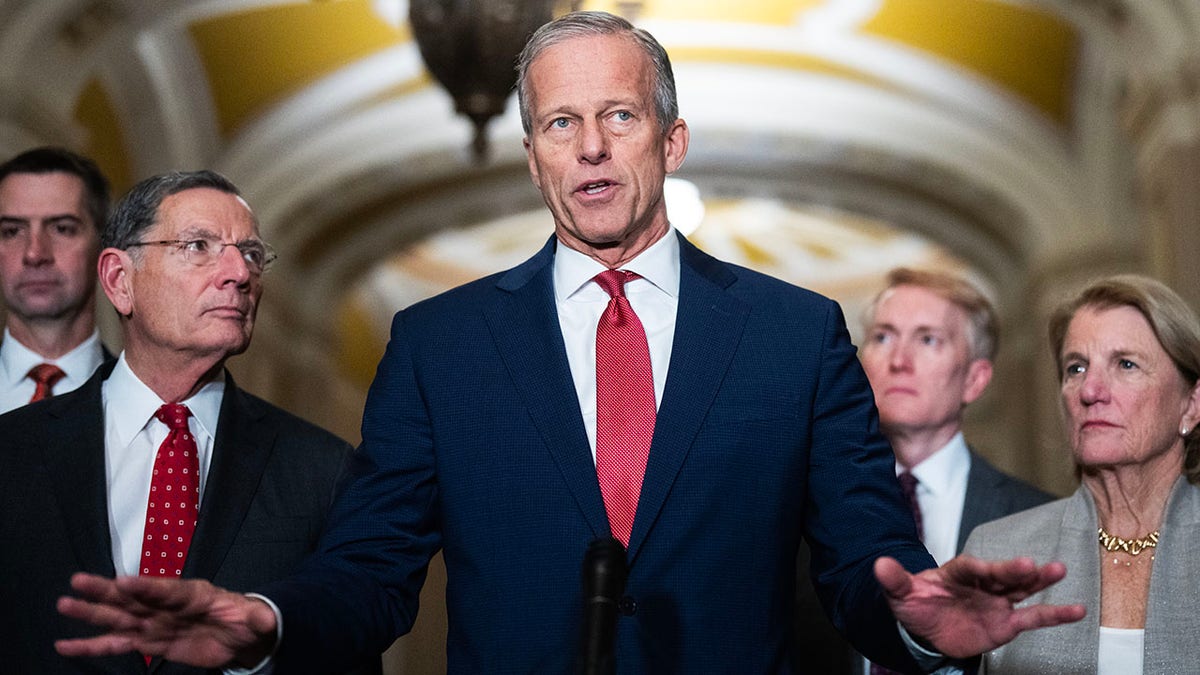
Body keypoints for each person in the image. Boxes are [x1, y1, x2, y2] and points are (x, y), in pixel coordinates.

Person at [54, 12, 1082, 674]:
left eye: (619, 116)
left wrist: (919, 626)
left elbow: (867, 562)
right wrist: (267, 621)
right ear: (532, 156)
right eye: (559, 124)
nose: (590, 146)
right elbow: (370, 571)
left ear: (671, 141)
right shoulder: (440, 346)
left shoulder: (795, 335)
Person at [0, 170, 379, 674]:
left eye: (251, 254)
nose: (238, 274)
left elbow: (349, 648)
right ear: (119, 280)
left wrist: (256, 650)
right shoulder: (13, 451)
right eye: (198, 246)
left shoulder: (322, 469)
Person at [796, 268, 1054, 674]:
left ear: (974, 380)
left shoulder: (1040, 519)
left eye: (928, 339)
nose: (899, 361)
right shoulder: (799, 515)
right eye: (883, 337)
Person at [963, 274, 1200, 673]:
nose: (1090, 390)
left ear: (1191, 405)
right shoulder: (998, 551)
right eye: (1076, 368)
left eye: (1126, 364)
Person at [0, 146, 111, 412]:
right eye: (12, 231)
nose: (35, 253)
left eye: (62, 228)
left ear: (105, 246)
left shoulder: (151, 401)